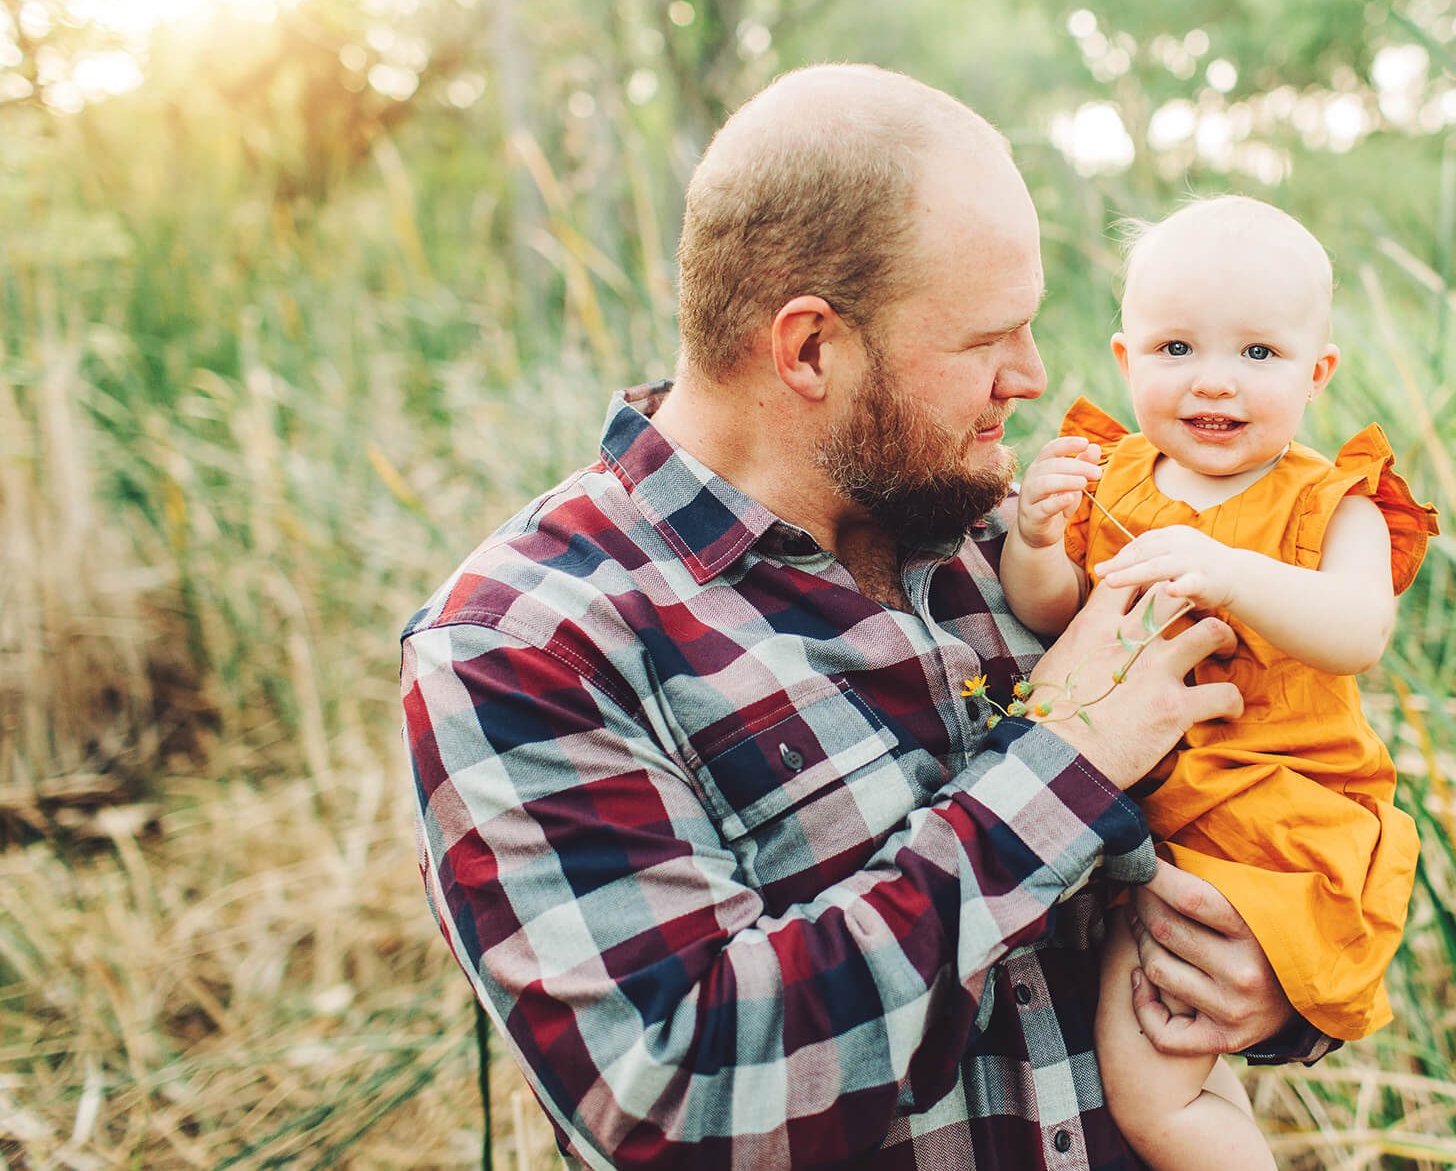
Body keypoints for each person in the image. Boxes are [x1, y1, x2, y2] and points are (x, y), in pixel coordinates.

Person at [400, 67, 1336, 1170]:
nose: (1032, 376)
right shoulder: (528, 643)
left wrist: (1275, 980)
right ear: (807, 349)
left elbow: (1268, 791)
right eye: (988, 338)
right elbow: (682, 1109)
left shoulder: (1023, 542)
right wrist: (1065, 757)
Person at [999, 196, 1438, 1171]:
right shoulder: (1114, 477)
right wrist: (1032, 539)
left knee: (1156, 1081)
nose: (1212, 382)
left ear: (1314, 372)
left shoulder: (1331, 503)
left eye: (1255, 356)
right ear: (1124, 359)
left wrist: (1232, 572)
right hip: (1158, 829)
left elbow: (1357, 629)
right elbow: (1051, 611)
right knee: (1165, 1077)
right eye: (1174, 349)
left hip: (1272, 814)